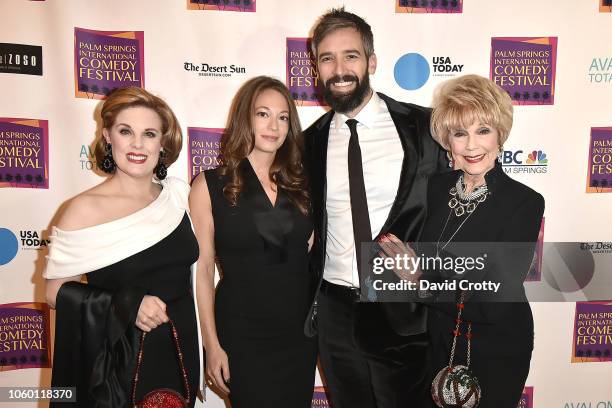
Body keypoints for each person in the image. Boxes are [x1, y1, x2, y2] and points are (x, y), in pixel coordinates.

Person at [303, 7, 447, 408]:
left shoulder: (426, 129)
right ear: (316, 69)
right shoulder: (307, 142)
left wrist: (430, 273)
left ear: (371, 61)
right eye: (326, 58)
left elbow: (461, 210)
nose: (339, 68)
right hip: (334, 312)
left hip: (403, 310)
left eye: (350, 55)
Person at [381, 74, 544, 407]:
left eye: (483, 130)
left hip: (494, 343)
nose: (471, 146)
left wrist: (418, 280)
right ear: (447, 140)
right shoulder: (436, 188)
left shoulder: (524, 202)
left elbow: (491, 300)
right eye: (460, 133)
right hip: (440, 336)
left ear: (500, 135)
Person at [44, 87, 202, 407]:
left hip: (181, 352)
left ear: (163, 142)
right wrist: (127, 304)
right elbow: (54, 292)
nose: (138, 144)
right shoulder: (82, 210)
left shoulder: (179, 196)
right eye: (125, 131)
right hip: (121, 363)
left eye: (150, 133)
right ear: (107, 137)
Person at [189, 75, 317, 407]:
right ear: (245, 117)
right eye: (263, 114)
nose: (273, 125)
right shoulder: (210, 186)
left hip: (298, 335)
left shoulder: (303, 184)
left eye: (283, 116)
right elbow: (203, 271)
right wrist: (212, 344)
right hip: (242, 333)